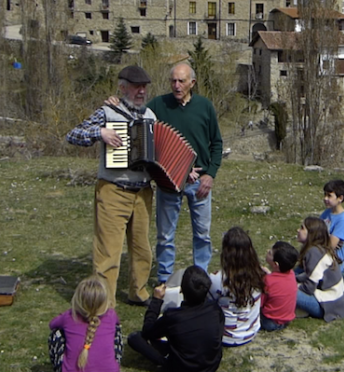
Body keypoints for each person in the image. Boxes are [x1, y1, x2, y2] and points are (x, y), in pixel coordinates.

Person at [66, 65, 155, 307]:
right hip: (113, 190)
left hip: (143, 192)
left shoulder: (150, 116)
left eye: (144, 87)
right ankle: (105, 303)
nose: (141, 91)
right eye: (136, 87)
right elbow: (73, 134)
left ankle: (139, 292)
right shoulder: (107, 112)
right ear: (122, 87)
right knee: (108, 252)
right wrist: (100, 132)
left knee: (142, 249)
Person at [147, 63, 223, 283]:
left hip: (199, 183)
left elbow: (216, 144)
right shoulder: (158, 105)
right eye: (173, 81)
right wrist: (116, 102)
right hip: (169, 182)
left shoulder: (204, 106)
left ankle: (199, 279)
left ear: (192, 83)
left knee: (202, 234)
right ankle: (164, 279)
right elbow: (139, 121)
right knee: (165, 235)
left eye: (181, 81)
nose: (176, 85)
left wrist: (210, 175)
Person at [127, 266, 224, 372]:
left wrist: (156, 300)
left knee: (134, 338)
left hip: (181, 368)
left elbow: (147, 331)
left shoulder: (174, 317)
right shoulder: (216, 310)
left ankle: (163, 362)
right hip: (210, 366)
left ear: (181, 289)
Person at [48, 275, 121, 372]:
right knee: (116, 331)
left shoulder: (69, 316)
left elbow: (52, 324)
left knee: (55, 334)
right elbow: (117, 323)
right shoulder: (111, 315)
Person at [209, 226, 265, 346]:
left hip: (225, 336)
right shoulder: (259, 274)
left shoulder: (218, 279)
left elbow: (209, 300)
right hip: (251, 331)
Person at [295, 217, 344, 322]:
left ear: (311, 234)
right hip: (336, 301)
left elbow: (309, 287)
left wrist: (293, 285)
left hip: (328, 304)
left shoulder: (313, 253)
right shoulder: (318, 249)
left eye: (302, 228)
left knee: (286, 289)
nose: (298, 230)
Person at [260, 241, 299, 332]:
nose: (267, 251)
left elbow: (260, 303)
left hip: (269, 321)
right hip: (286, 319)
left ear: (276, 264)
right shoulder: (291, 274)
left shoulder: (268, 281)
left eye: (270, 253)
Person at [320, 179, 344, 288]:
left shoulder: (343, 219)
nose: (325, 199)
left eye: (329, 196)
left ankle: (342, 277)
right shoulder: (326, 213)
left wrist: (321, 238)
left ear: (340, 198)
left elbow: (331, 245)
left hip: (334, 263)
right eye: (325, 195)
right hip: (322, 256)